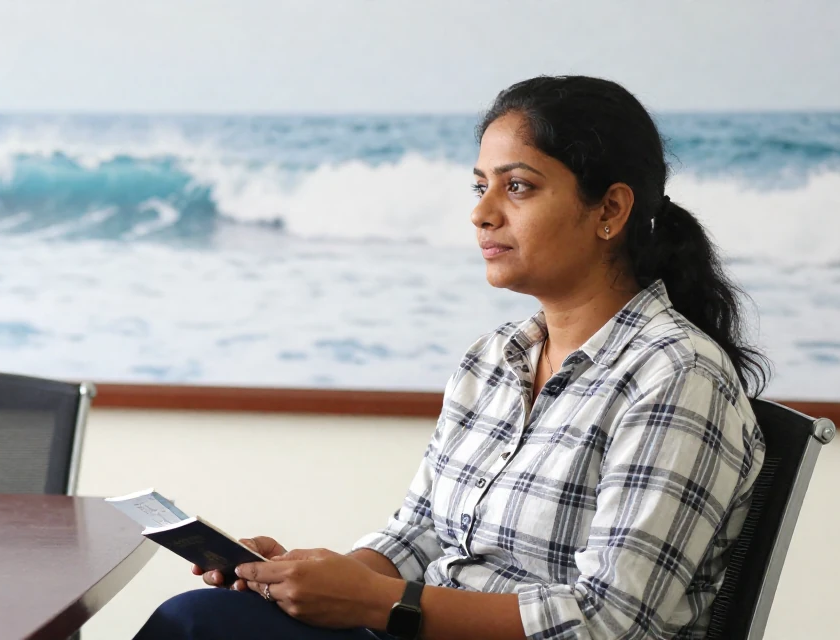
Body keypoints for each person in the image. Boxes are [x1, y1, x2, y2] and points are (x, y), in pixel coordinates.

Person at [133, 75, 769, 640]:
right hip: (404, 627)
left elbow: (607, 622)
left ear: (610, 209)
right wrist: (308, 582)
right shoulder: (493, 359)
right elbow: (417, 535)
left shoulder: (678, 376)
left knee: (197, 624)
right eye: (480, 186)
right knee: (212, 617)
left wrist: (377, 603)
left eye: (517, 187)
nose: (481, 213)